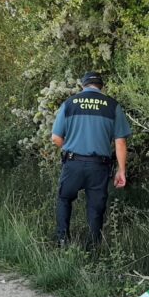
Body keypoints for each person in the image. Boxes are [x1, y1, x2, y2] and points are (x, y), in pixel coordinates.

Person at [51, 71, 132, 248]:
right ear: (101, 87)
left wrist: (70, 147)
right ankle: (93, 247)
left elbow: (56, 138)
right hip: (99, 166)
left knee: (64, 199)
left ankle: (62, 240)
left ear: (83, 85)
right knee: (96, 207)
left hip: (73, 163)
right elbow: (120, 142)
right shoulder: (112, 106)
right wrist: (121, 170)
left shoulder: (69, 103)